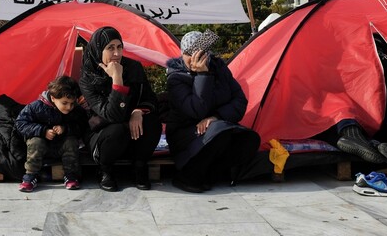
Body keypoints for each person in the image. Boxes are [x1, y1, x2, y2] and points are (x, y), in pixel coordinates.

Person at [165, 30, 260, 193]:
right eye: (189, 54)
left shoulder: (219, 68)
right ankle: (188, 176)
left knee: (247, 138)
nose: (195, 57)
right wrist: (202, 75)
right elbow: (196, 110)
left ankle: (211, 174)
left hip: (218, 126)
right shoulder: (176, 78)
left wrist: (216, 117)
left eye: (200, 53)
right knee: (219, 132)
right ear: (182, 54)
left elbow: (239, 101)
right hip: (184, 133)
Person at [79, 26, 162, 192]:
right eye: (110, 48)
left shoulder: (134, 68)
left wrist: (138, 111)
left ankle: (139, 166)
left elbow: (150, 98)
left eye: (119, 47)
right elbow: (112, 115)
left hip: (132, 130)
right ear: (97, 50)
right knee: (117, 129)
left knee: (152, 121)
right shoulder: (87, 78)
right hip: (103, 133)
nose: (116, 53)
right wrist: (117, 79)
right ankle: (105, 170)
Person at [15, 75, 88, 192]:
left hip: (62, 146)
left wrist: (65, 129)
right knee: (36, 141)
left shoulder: (76, 110)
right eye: (64, 103)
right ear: (53, 98)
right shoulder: (36, 107)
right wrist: (42, 131)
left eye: (72, 103)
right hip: (41, 147)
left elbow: (82, 126)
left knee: (71, 141)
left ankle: (71, 176)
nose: (69, 107)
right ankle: (30, 176)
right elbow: (20, 123)